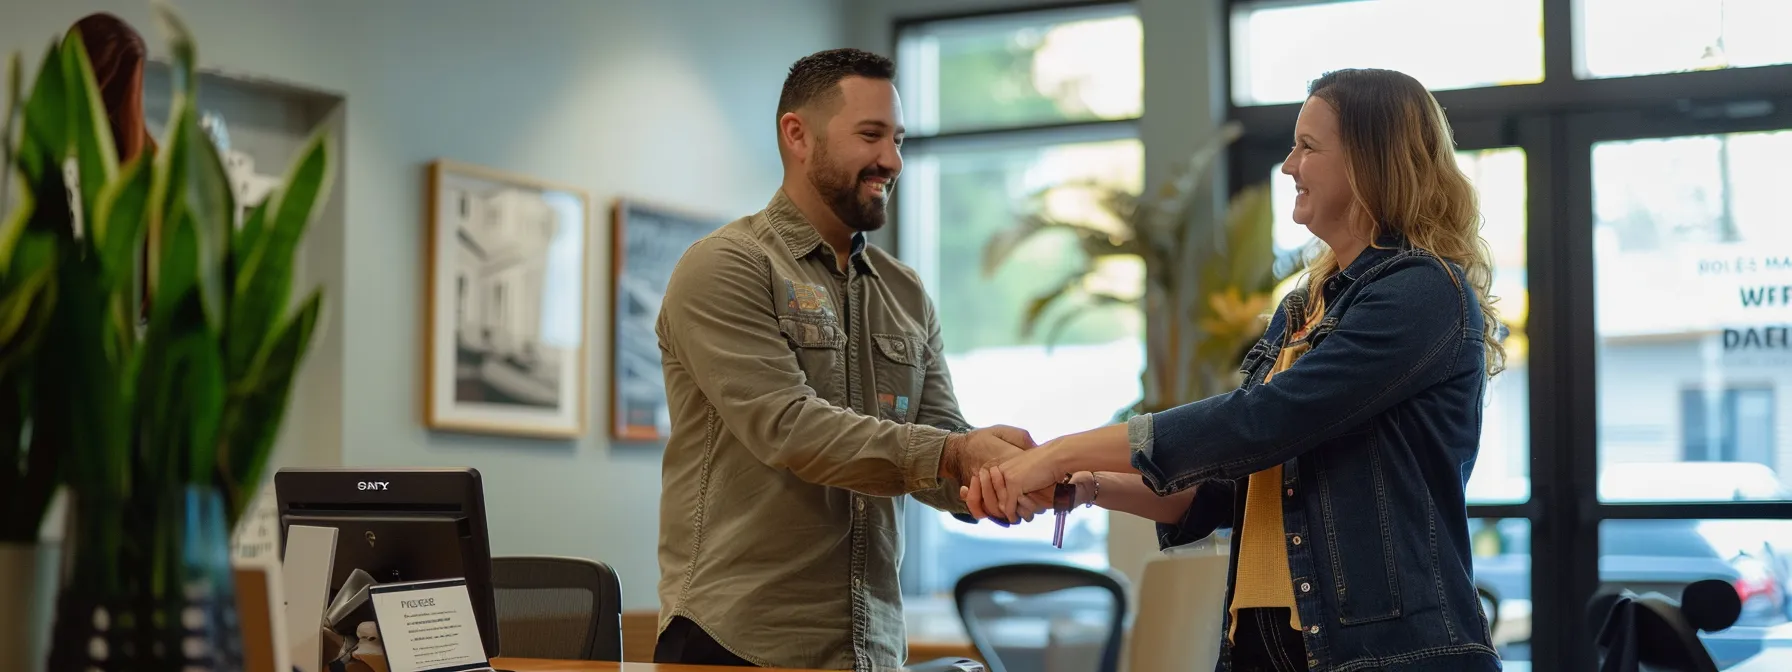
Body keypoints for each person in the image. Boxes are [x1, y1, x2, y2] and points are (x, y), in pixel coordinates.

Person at [967, 68, 1506, 672]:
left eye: (1308, 146)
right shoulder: (1304, 305)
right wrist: (1087, 485)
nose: (1288, 165)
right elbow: (1232, 483)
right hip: (1264, 642)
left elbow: (1263, 421)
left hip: (1389, 653)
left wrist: (1059, 452)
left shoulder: (1423, 290)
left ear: (1368, 162)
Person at [653, 47, 1040, 671]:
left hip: (871, 651)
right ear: (797, 135)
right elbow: (791, 429)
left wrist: (1008, 479)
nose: (892, 160)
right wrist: (956, 455)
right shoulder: (726, 267)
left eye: (900, 138)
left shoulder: (905, 292)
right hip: (738, 645)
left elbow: (942, 436)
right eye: (871, 135)